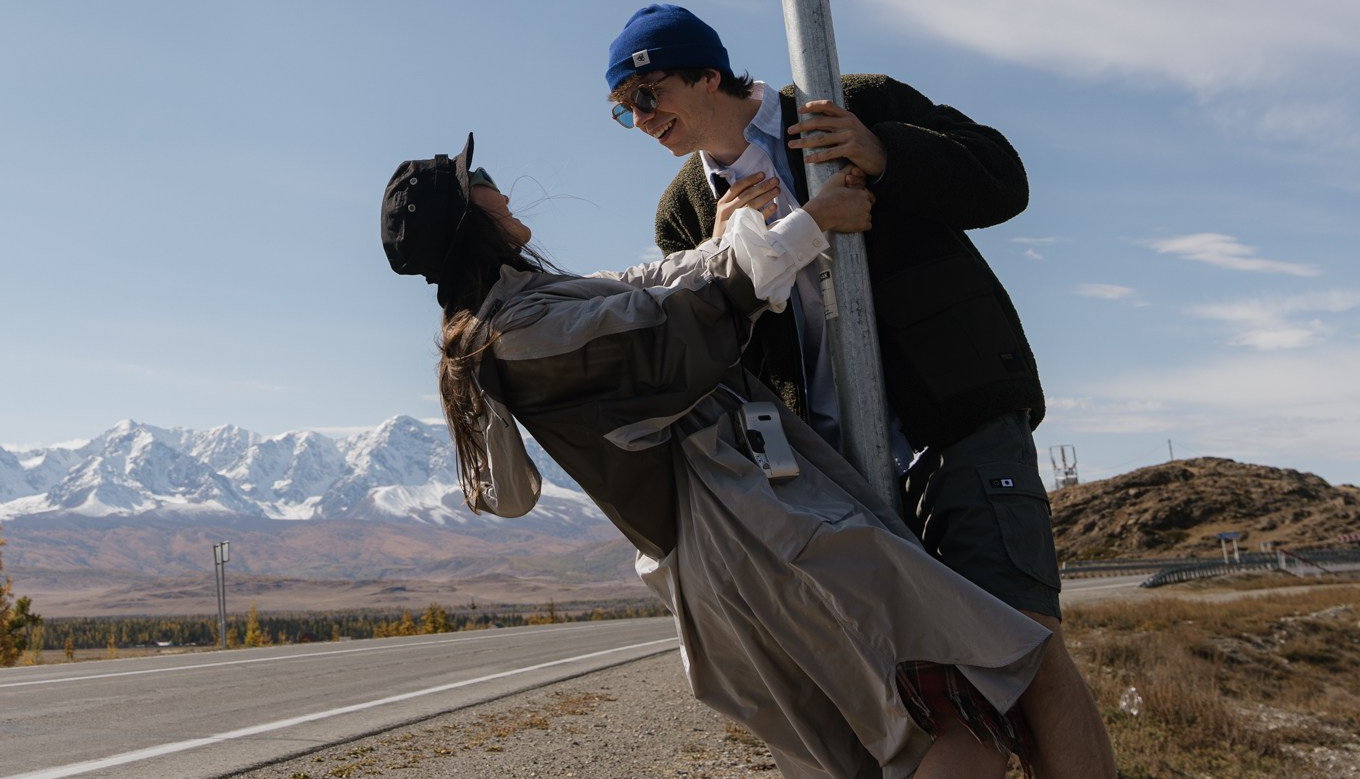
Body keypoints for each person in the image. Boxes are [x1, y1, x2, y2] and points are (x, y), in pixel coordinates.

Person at [381, 135, 1055, 779]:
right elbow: (672, 328)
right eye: (484, 183)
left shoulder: (525, 307)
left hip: (750, 536)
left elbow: (650, 285)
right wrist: (807, 224)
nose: (503, 190)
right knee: (958, 719)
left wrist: (726, 239)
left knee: (881, 750)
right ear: (471, 217)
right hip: (754, 537)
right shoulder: (519, 335)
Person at [603, 3, 1112, 777]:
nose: (640, 120)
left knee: (1027, 643)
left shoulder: (855, 99)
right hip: (833, 470)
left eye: (647, 95)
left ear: (709, 72)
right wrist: (718, 260)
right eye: (622, 110)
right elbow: (704, 349)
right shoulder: (686, 211)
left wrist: (885, 152)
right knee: (935, 684)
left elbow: (1003, 180)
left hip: (957, 417)